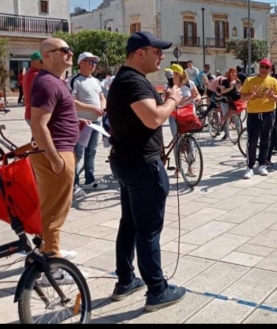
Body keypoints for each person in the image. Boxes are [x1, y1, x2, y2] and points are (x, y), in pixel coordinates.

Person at [106, 31, 187, 311]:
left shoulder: (125, 80)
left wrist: (176, 100)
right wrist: (173, 99)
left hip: (126, 160)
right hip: (142, 165)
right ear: (140, 53)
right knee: (148, 229)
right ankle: (157, 290)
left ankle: (126, 280)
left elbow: (147, 114)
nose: (162, 56)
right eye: (157, 51)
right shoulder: (133, 81)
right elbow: (153, 118)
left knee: (129, 223)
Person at [30, 38, 82, 262]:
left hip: (60, 149)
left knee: (53, 208)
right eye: (64, 50)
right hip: (56, 153)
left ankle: (51, 249)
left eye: (69, 50)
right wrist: (55, 160)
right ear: (47, 56)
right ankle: (52, 264)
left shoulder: (54, 81)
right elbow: (38, 124)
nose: (70, 54)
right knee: (54, 212)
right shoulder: (48, 83)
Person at [72, 52, 108, 194]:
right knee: (78, 153)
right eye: (90, 62)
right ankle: (74, 183)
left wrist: (102, 107)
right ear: (81, 63)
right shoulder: (75, 80)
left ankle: (90, 180)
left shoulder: (96, 81)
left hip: (96, 122)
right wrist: (91, 108)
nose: (93, 65)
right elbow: (72, 101)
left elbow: (101, 97)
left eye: (94, 62)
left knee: (91, 152)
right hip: (81, 123)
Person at [240, 58, 277, 179]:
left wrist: (272, 96)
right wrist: (252, 94)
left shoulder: (273, 81)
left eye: (266, 67)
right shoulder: (249, 80)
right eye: (262, 66)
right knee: (252, 141)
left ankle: (262, 164)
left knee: (265, 139)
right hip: (253, 114)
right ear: (259, 67)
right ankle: (250, 167)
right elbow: (243, 98)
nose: (264, 69)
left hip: (269, 113)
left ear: (270, 69)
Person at [164, 64, 200, 160]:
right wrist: (190, 98)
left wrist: (197, 98)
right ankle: (178, 168)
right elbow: (173, 103)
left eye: (172, 73)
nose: (168, 75)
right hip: (174, 115)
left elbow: (197, 95)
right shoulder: (168, 86)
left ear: (178, 74)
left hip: (188, 114)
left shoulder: (190, 83)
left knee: (190, 139)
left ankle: (190, 165)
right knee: (177, 140)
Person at [217, 67, 241, 141]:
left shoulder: (237, 81)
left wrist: (238, 89)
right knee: (226, 118)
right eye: (232, 72)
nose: (233, 74)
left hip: (234, 102)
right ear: (229, 73)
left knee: (236, 118)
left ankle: (239, 134)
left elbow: (239, 90)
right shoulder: (225, 81)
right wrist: (230, 87)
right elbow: (222, 91)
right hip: (225, 102)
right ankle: (227, 134)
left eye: (235, 72)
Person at [23, 51, 43, 127]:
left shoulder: (30, 74)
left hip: (31, 114)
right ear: (33, 63)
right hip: (35, 115)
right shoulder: (36, 75)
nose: (43, 63)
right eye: (41, 61)